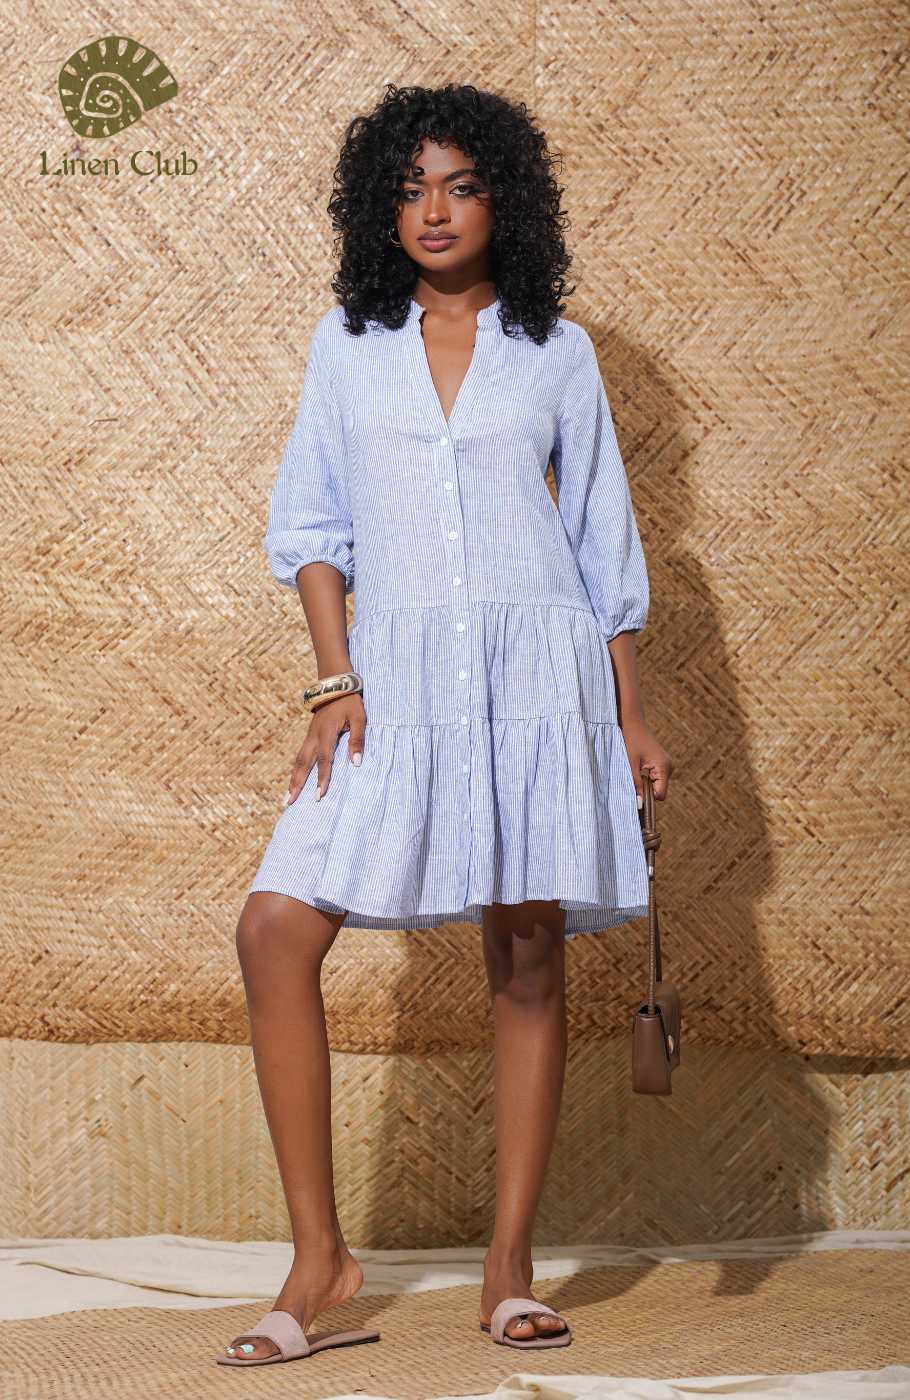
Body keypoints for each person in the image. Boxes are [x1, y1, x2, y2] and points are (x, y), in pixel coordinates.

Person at [219, 82, 673, 1368]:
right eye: (411, 187)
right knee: (273, 926)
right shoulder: (347, 345)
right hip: (397, 679)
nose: (433, 209)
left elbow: (601, 544)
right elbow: (313, 525)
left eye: (461, 185)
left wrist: (629, 718)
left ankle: (508, 1268)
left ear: (501, 203)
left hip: (538, 678)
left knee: (527, 956)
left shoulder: (556, 351)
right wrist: (334, 680)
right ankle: (320, 1256)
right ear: (380, 207)